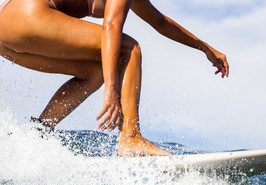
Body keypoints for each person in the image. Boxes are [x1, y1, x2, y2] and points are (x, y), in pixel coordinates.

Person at [0, 0, 229, 156]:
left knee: (94, 73)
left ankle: (36, 134)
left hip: (9, 30)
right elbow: (111, 26)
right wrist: (112, 89)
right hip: (28, 15)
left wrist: (204, 47)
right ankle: (130, 137)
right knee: (129, 48)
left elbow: (160, 22)